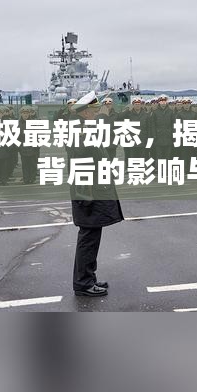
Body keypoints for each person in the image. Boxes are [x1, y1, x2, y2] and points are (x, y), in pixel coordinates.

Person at [69, 92, 124, 297]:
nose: (100, 112)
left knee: (92, 236)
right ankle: (83, 283)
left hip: (93, 189)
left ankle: (88, 278)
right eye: (96, 110)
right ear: (86, 112)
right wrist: (85, 195)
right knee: (88, 237)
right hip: (88, 192)